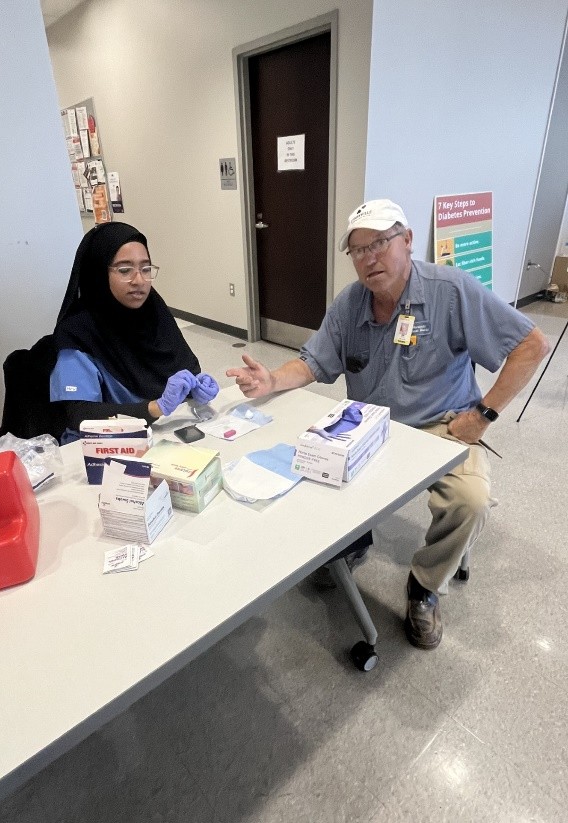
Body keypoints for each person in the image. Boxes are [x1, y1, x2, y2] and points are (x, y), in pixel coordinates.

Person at [227, 199, 549, 650]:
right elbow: (315, 362)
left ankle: (425, 587)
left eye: (379, 243)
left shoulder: (450, 291)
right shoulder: (350, 304)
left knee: (470, 500)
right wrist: (272, 380)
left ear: (408, 241)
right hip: (370, 425)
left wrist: (484, 415)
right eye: (358, 250)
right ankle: (353, 542)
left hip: (443, 425)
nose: (369, 258)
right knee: (312, 463)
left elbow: (531, 345)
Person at [51, 222, 218, 442]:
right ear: (99, 273)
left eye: (145, 269)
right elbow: (80, 416)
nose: (139, 281)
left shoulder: (155, 312)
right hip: (106, 448)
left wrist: (196, 386)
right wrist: (155, 408)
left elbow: (185, 368)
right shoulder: (78, 333)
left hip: (164, 434)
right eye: (124, 270)